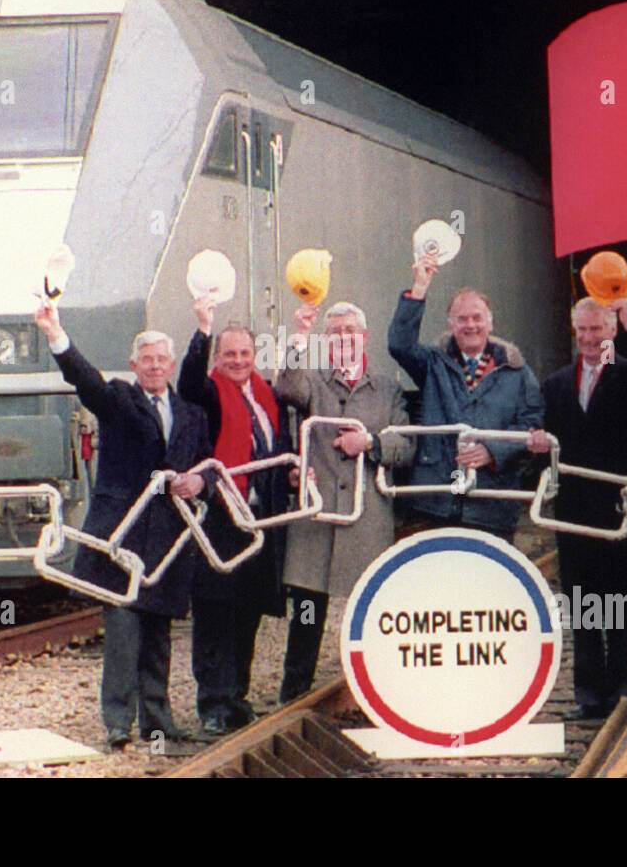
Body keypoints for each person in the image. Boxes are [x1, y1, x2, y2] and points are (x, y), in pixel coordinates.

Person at [35, 301, 210, 750]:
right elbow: (84, 379)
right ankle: (117, 721)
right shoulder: (117, 399)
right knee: (123, 632)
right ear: (135, 365)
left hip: (169, 538)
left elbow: (206, 465)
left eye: (161, 359)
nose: (154, 366)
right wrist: (56, 334)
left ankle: (158, 721)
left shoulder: (192, 413)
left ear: (170, 365)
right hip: (122, 535)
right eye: (146, 359)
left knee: (158, 634)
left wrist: (199, 480)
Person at [526, 297, 627, 719]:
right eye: (582, 331)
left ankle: (622, 688)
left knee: (620, 598)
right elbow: (547, 445)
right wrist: (537, 444)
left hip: (619, 504)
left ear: (612, 332)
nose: (589, 339)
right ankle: (587, 692)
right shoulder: (557, 383)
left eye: (597, 330)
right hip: (576, 506)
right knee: (581, 601)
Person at [275, 300, 415, 702]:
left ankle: (379, 692)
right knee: (307, 608)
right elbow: (286, 386)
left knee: (370, 608)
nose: (344, 339)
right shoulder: (314, 382)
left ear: (364, 337)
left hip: (366, 517)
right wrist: (299, 334)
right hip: (317, 518)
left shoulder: (387, 388)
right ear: (326, 340)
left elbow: (406, 446)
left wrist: (369, 442)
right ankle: (294, 692)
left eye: (351, 331)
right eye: (335, 333)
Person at [179, 296, 291, 739]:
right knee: (214, 613)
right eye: (229, 354)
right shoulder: (208, 392)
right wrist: (202, 331)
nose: (238, 361)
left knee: (247, 611)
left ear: (254, 356)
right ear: (219, 358)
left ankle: (236, 697)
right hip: (222, 519)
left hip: (259, 520)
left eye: (245, 354)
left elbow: (275, 446)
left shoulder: (264, 393)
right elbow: (188, 382)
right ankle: (211, 705)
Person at [387, 254, 543, 541]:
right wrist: (419, 287)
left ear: (490, 323)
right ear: (451, 324)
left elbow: (530, 424)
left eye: (477, 318)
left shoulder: (517, 371)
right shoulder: (432, 363)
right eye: (462, 319)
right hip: (435, 504)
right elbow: (399, 344)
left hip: (492, 506)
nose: (470, 325)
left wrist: (492, 451)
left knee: (487, 583)